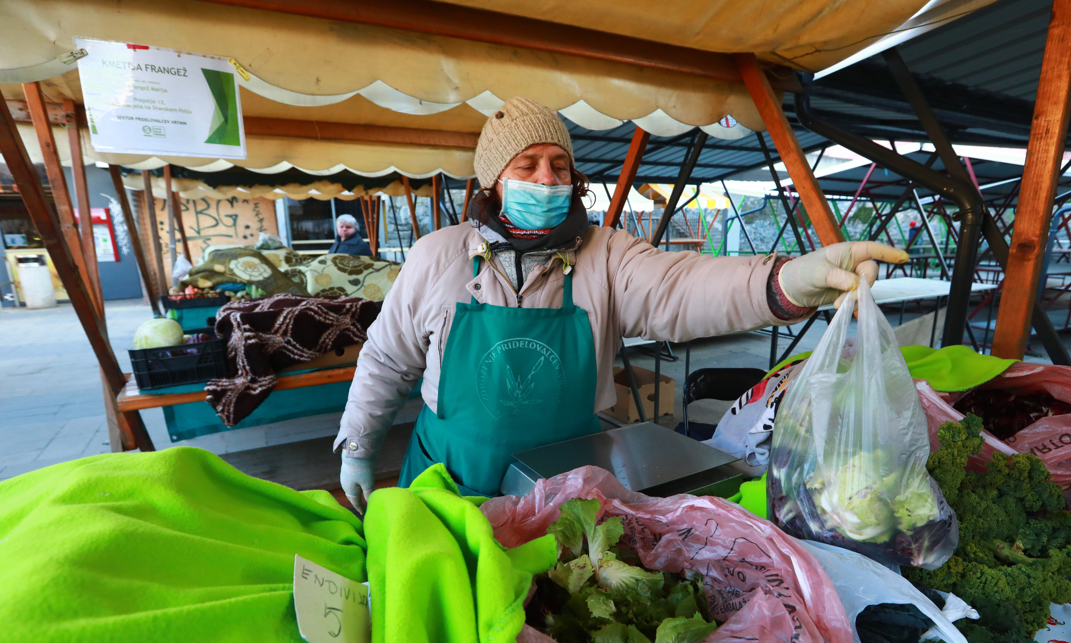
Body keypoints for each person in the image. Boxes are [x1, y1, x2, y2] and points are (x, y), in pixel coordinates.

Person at [336, 97, 907, 507]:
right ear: (494, 184)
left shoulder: (603, 253)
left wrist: (785, 282)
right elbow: (387, 360)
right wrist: (359, 447)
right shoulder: (438, 256)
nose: (547, 178)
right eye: (527, 166)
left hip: (563, 492)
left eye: (559, 166)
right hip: (448, 483)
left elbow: (681, 288)